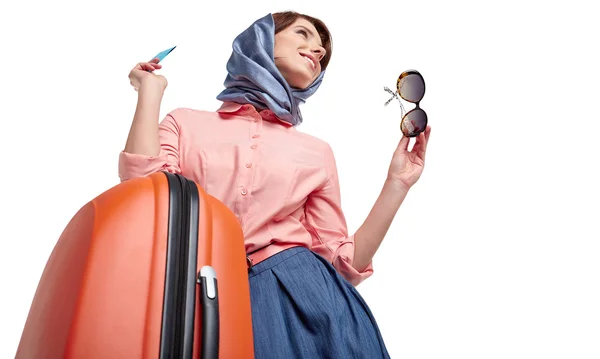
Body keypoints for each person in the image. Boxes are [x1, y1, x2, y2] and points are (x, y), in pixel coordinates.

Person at [120, 11, 431, 359]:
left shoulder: (316, 152)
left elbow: (343, 263)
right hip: (200, 293)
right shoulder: (186, 123)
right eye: (303, 34)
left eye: (323, 49)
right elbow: (144, 190)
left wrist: (397, 184)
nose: (318, 50)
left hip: (303, 300)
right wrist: (150, 92)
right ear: (262, 39)